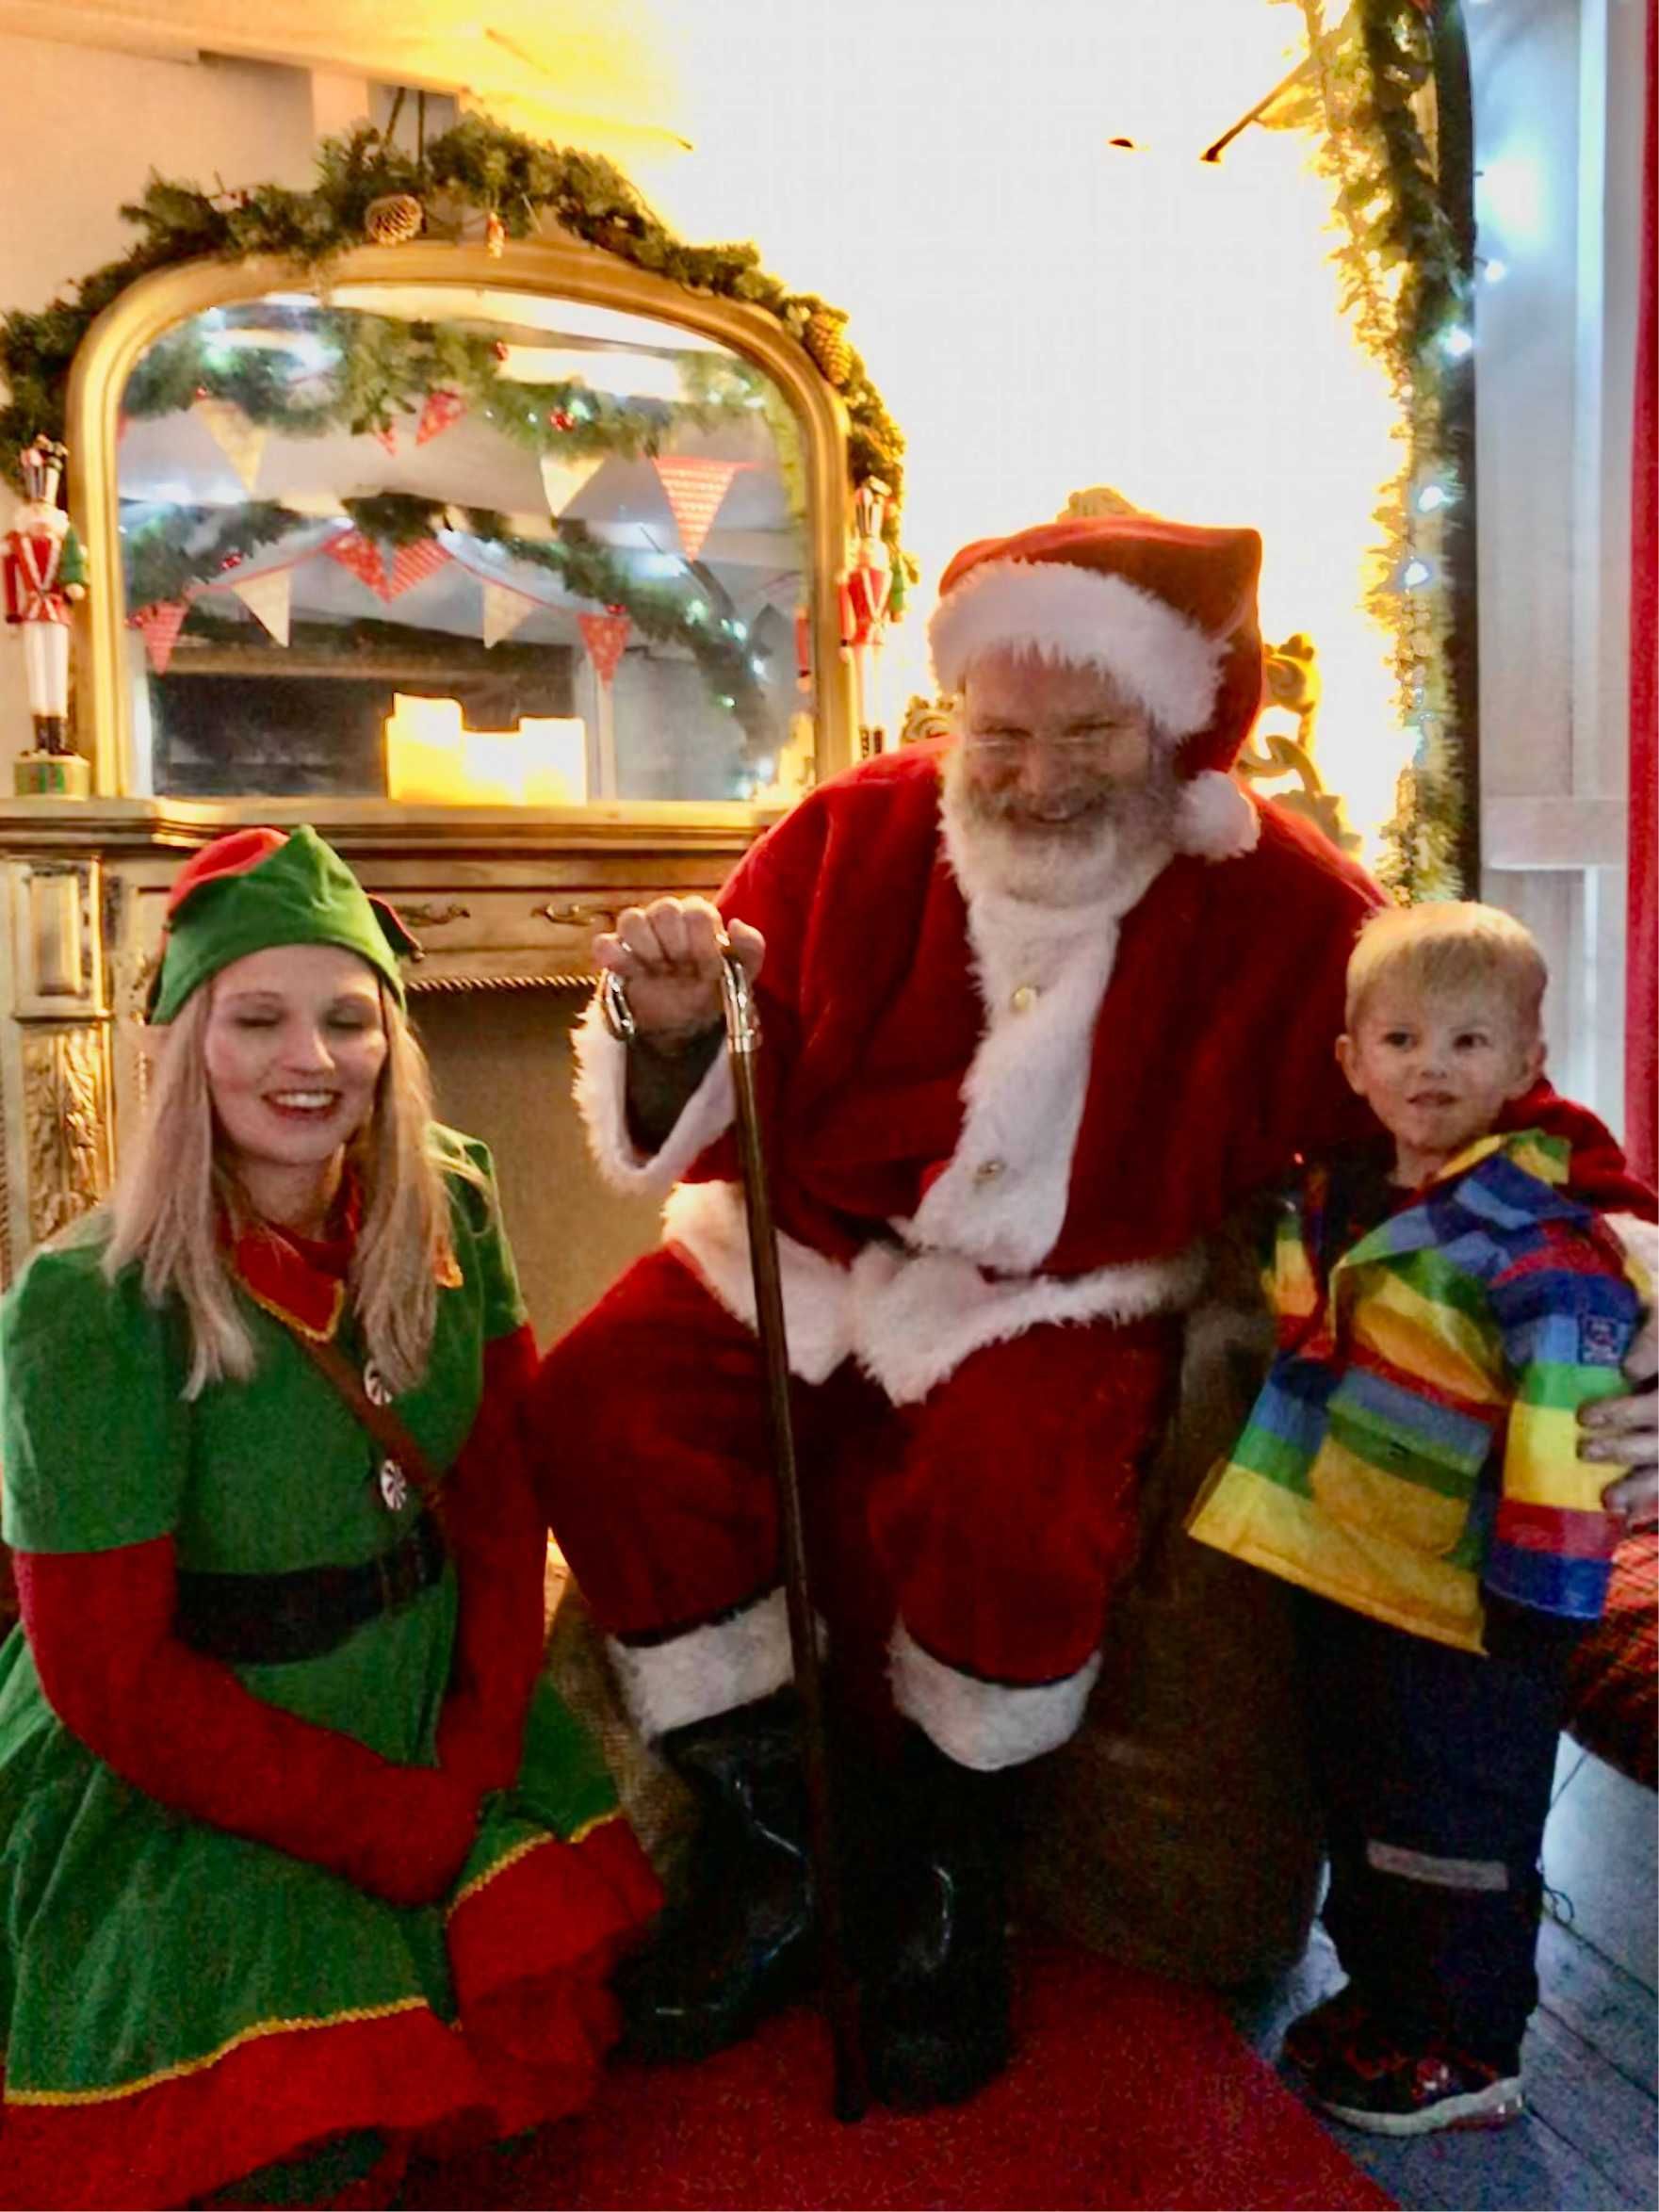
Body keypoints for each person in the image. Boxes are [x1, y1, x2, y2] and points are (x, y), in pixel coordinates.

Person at [530, 511, 1659, 2113]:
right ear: (954, 715)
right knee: (599, 1396)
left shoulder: (1280, 896)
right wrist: (661, 1026)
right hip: (802, 1251)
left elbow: (1475, 1093)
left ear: (1178, 721)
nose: (1040, 777)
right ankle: (780, 1839)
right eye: (1001, 734)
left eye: (1088, 734)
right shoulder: (845, 831)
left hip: (1065, 1295)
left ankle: (937, 1871)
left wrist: (1621, 1260)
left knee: (1018, 1493)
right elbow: (711, 1091)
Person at [0, 826, 659, 2210]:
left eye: (348, 1018)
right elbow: (108, 1678)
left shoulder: (454, 1199)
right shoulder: (87, 1304)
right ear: (189, 1043)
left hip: (418, 1692)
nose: (312, 1060)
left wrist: (475, 1746)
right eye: (259, 1018)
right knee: (290, 2141)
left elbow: (495, 1498)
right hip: (211, 1752)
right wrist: (381, 1826)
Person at [1188, 903, 1654, 2135]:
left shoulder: (1545, 1247)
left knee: (1458, 1828)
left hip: (1476, 1606)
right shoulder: (1332, 1197)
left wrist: (1535, 1607)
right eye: (1399, 1040)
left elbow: (1573, 1433)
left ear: (1523, 1063)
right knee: (1365, 1804)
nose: (1429, 1069)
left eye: (1466, 1042)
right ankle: (1387, 2001)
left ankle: (1466, 2047)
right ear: (1351, 1061)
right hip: (1345, 1570)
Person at [2, 434, 86, 756]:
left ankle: (58, 738)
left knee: (57, 672)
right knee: (37, 673)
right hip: (32, 613)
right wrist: (11, 615)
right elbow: (9, 579)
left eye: (44, 506)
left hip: (57, 611)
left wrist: (73, 584)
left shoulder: (64, 541)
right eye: (35, 506)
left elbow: (75, 564)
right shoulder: (15, 543)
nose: (39, 514)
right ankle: (41, 740)